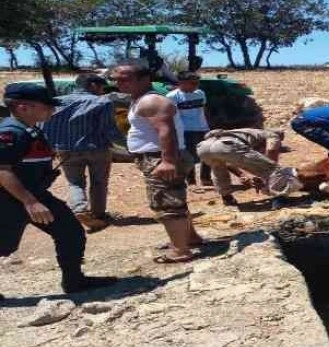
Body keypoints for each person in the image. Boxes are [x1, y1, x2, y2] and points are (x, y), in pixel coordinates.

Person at [0, 83, 118, 294]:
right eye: (46, 106)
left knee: (70, 231)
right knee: (3, 246)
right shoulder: (10, 132)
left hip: (34, 195)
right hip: (10, 199)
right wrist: (30, 202)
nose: (52, 110)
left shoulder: (30, 129)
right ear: (23, 107)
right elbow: (2, 170)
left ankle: (74, 281)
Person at [111, 59, 205, 263]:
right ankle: (190, 238)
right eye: (116, 80)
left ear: (145, 78)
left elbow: (166, 131)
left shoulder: (151, 101)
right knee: (175, 199)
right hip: (159, 156)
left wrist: (168, 161)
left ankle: (180, 250)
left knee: (167, 205)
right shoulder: (140, 99)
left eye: (125, 80)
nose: (120, 84)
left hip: (160, 157)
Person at [42, 74, 124, 232]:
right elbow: (109, 129)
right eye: (101, 87)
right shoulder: (102, 101)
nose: (102, 91)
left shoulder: (56, 101)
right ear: (93, 85)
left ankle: (79, 209)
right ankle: (99, 215)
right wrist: (127, 145)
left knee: (75, 182)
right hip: (97, 148)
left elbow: (46, 125)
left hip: (66, 149)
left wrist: (51, 146)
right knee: (99, 182)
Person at [197, 128, 302, 205]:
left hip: (203, 147)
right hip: (225, 145)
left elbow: (228, 159)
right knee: (274, 168)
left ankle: (227, 198)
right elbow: (272, 150)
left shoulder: (248, 133)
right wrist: (267, 174)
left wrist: (242, 175)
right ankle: (279, 199)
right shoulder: (272, 135)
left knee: (218, 170)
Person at [166, 71, 212, 186]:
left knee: (208, 153)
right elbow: (171, 115)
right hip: (185, 130)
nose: (195, 86)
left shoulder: (200, 93)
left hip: (203, 128)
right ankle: (191, 180)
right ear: (182, 83)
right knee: (189, 156)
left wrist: (208, 125)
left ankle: (206, 178)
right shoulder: (172, 96)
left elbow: (204, 110)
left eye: (197, 83)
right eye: (193, 83)